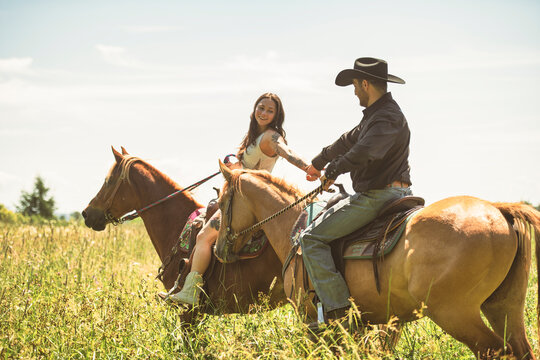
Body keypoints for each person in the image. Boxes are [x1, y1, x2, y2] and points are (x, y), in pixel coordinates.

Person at [168, 92, 316, 305]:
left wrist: (307, 167)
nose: (263, 113)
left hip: (247, 201)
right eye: (261, 107)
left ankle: (191, 291)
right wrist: (234, 165)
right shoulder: (256, 137)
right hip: (242, 196)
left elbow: (285, 151)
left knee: (203, 237)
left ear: (276, 116)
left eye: (269, 110)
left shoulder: (270, 137)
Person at [302, 57, 412, 328]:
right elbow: (347, 141)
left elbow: (365, 152)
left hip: (379, 196)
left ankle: (339, 313)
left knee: (310, 239)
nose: (353, 92)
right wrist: (319, 162)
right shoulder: (376, 117)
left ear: (365, 84)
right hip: (390, 192)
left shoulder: (386, 117)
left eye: (354, 85)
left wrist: (332, 171)